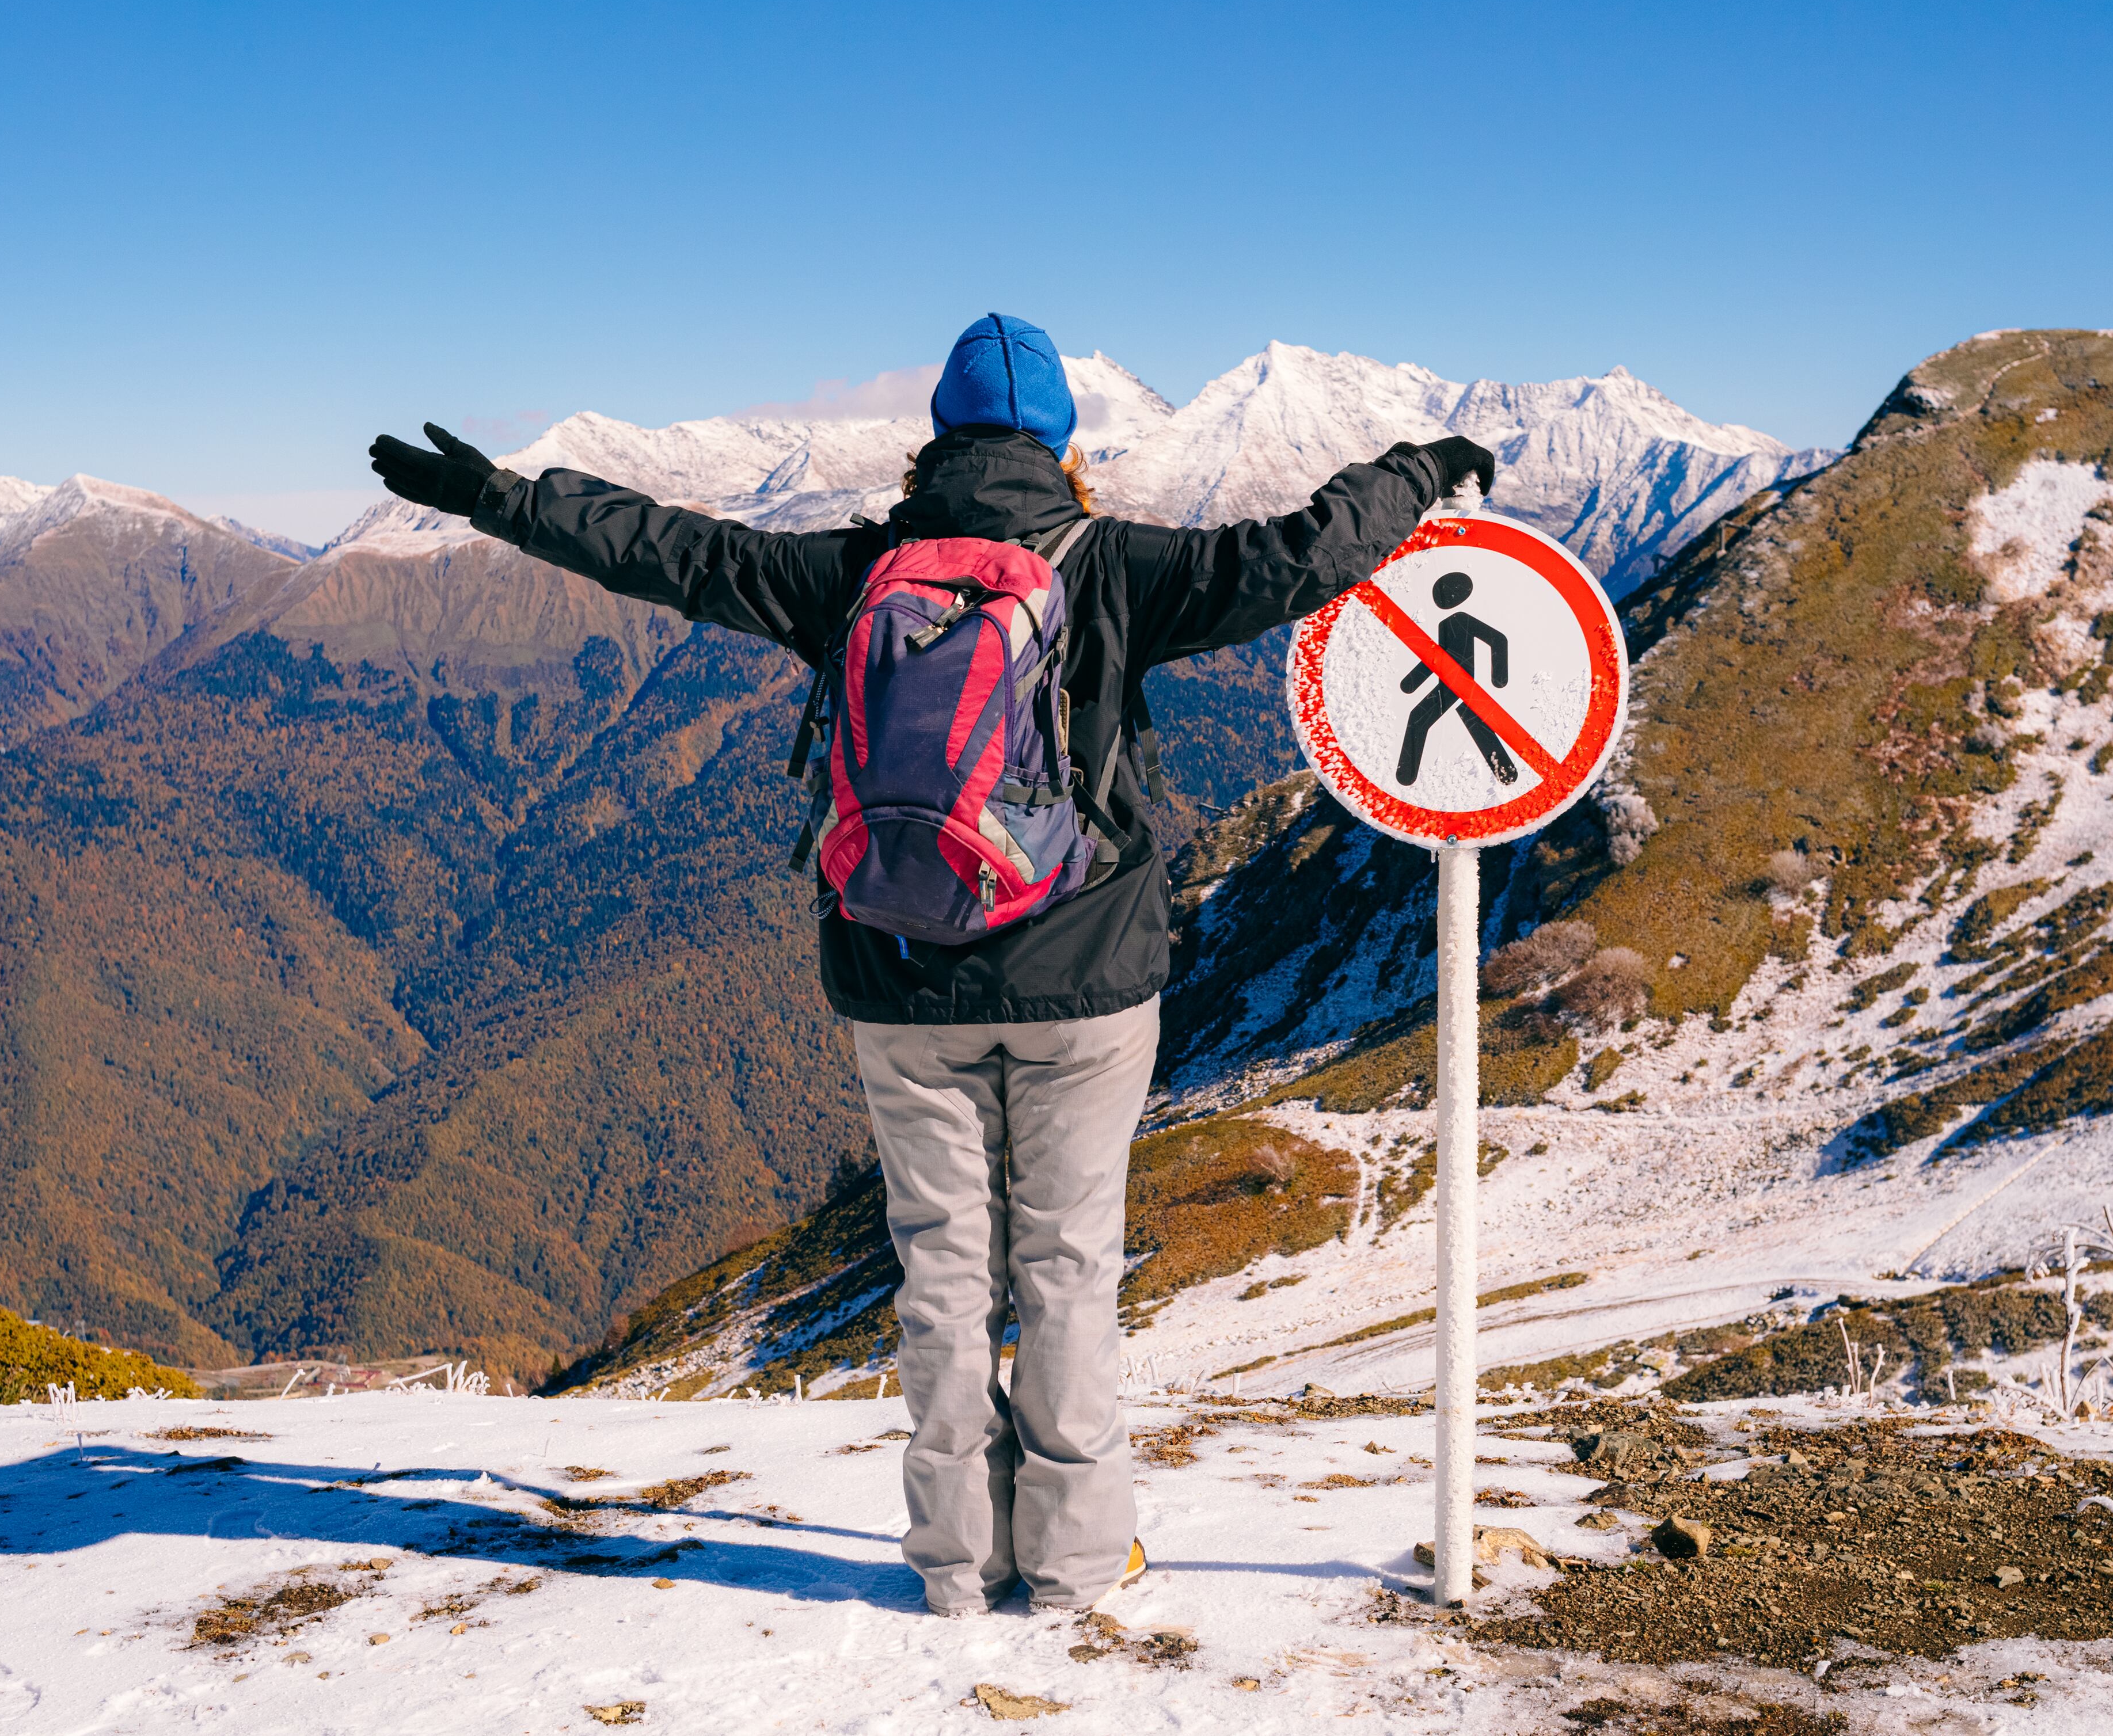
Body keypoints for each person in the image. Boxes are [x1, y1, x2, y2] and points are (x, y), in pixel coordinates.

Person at [368, 314, 1493, 1616]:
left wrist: (497, 498)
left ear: (938, 440)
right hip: (1086, 983)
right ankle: (1072, 1560)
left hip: (900, 978)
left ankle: (955, 1562)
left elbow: (669, 552)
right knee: (1068, 1262)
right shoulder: (1120, 565)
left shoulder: (853, 571)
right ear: (1064, 447)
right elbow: (1302, 554)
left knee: (942, 1273)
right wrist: (1418, 468)